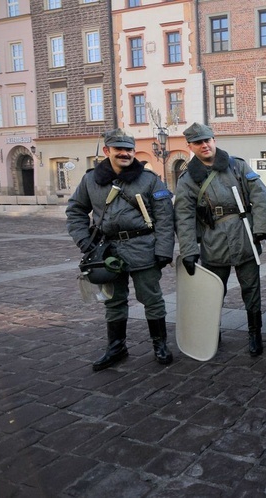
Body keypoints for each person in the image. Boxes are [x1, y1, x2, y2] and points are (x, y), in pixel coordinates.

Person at [66, 128, 175, 371]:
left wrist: (164, 251)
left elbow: (165, 218)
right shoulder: (90, 180)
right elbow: (75, 211)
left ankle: (160, 344)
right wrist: (85, 241)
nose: (125, 153)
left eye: (129, 149)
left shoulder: (149, 180)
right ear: (107, 151)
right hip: (108, 252)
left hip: (143, 248)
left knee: (152, 300)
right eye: (119, 149)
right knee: (114, 301)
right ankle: (116, 347)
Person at [174, 122, 266, 356]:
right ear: (190, 146)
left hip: (243, 235)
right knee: (212, 292)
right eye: (198, 142)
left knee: (251, 289)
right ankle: (211, 332)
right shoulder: (187, 179)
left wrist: (261, 228)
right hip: (213, 241)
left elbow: (261, 195)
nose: (205, 145)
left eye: (207, 140)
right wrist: (188, 250)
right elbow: (184, 216)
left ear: (214, 140)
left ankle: (254, 333)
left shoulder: (236, 166)